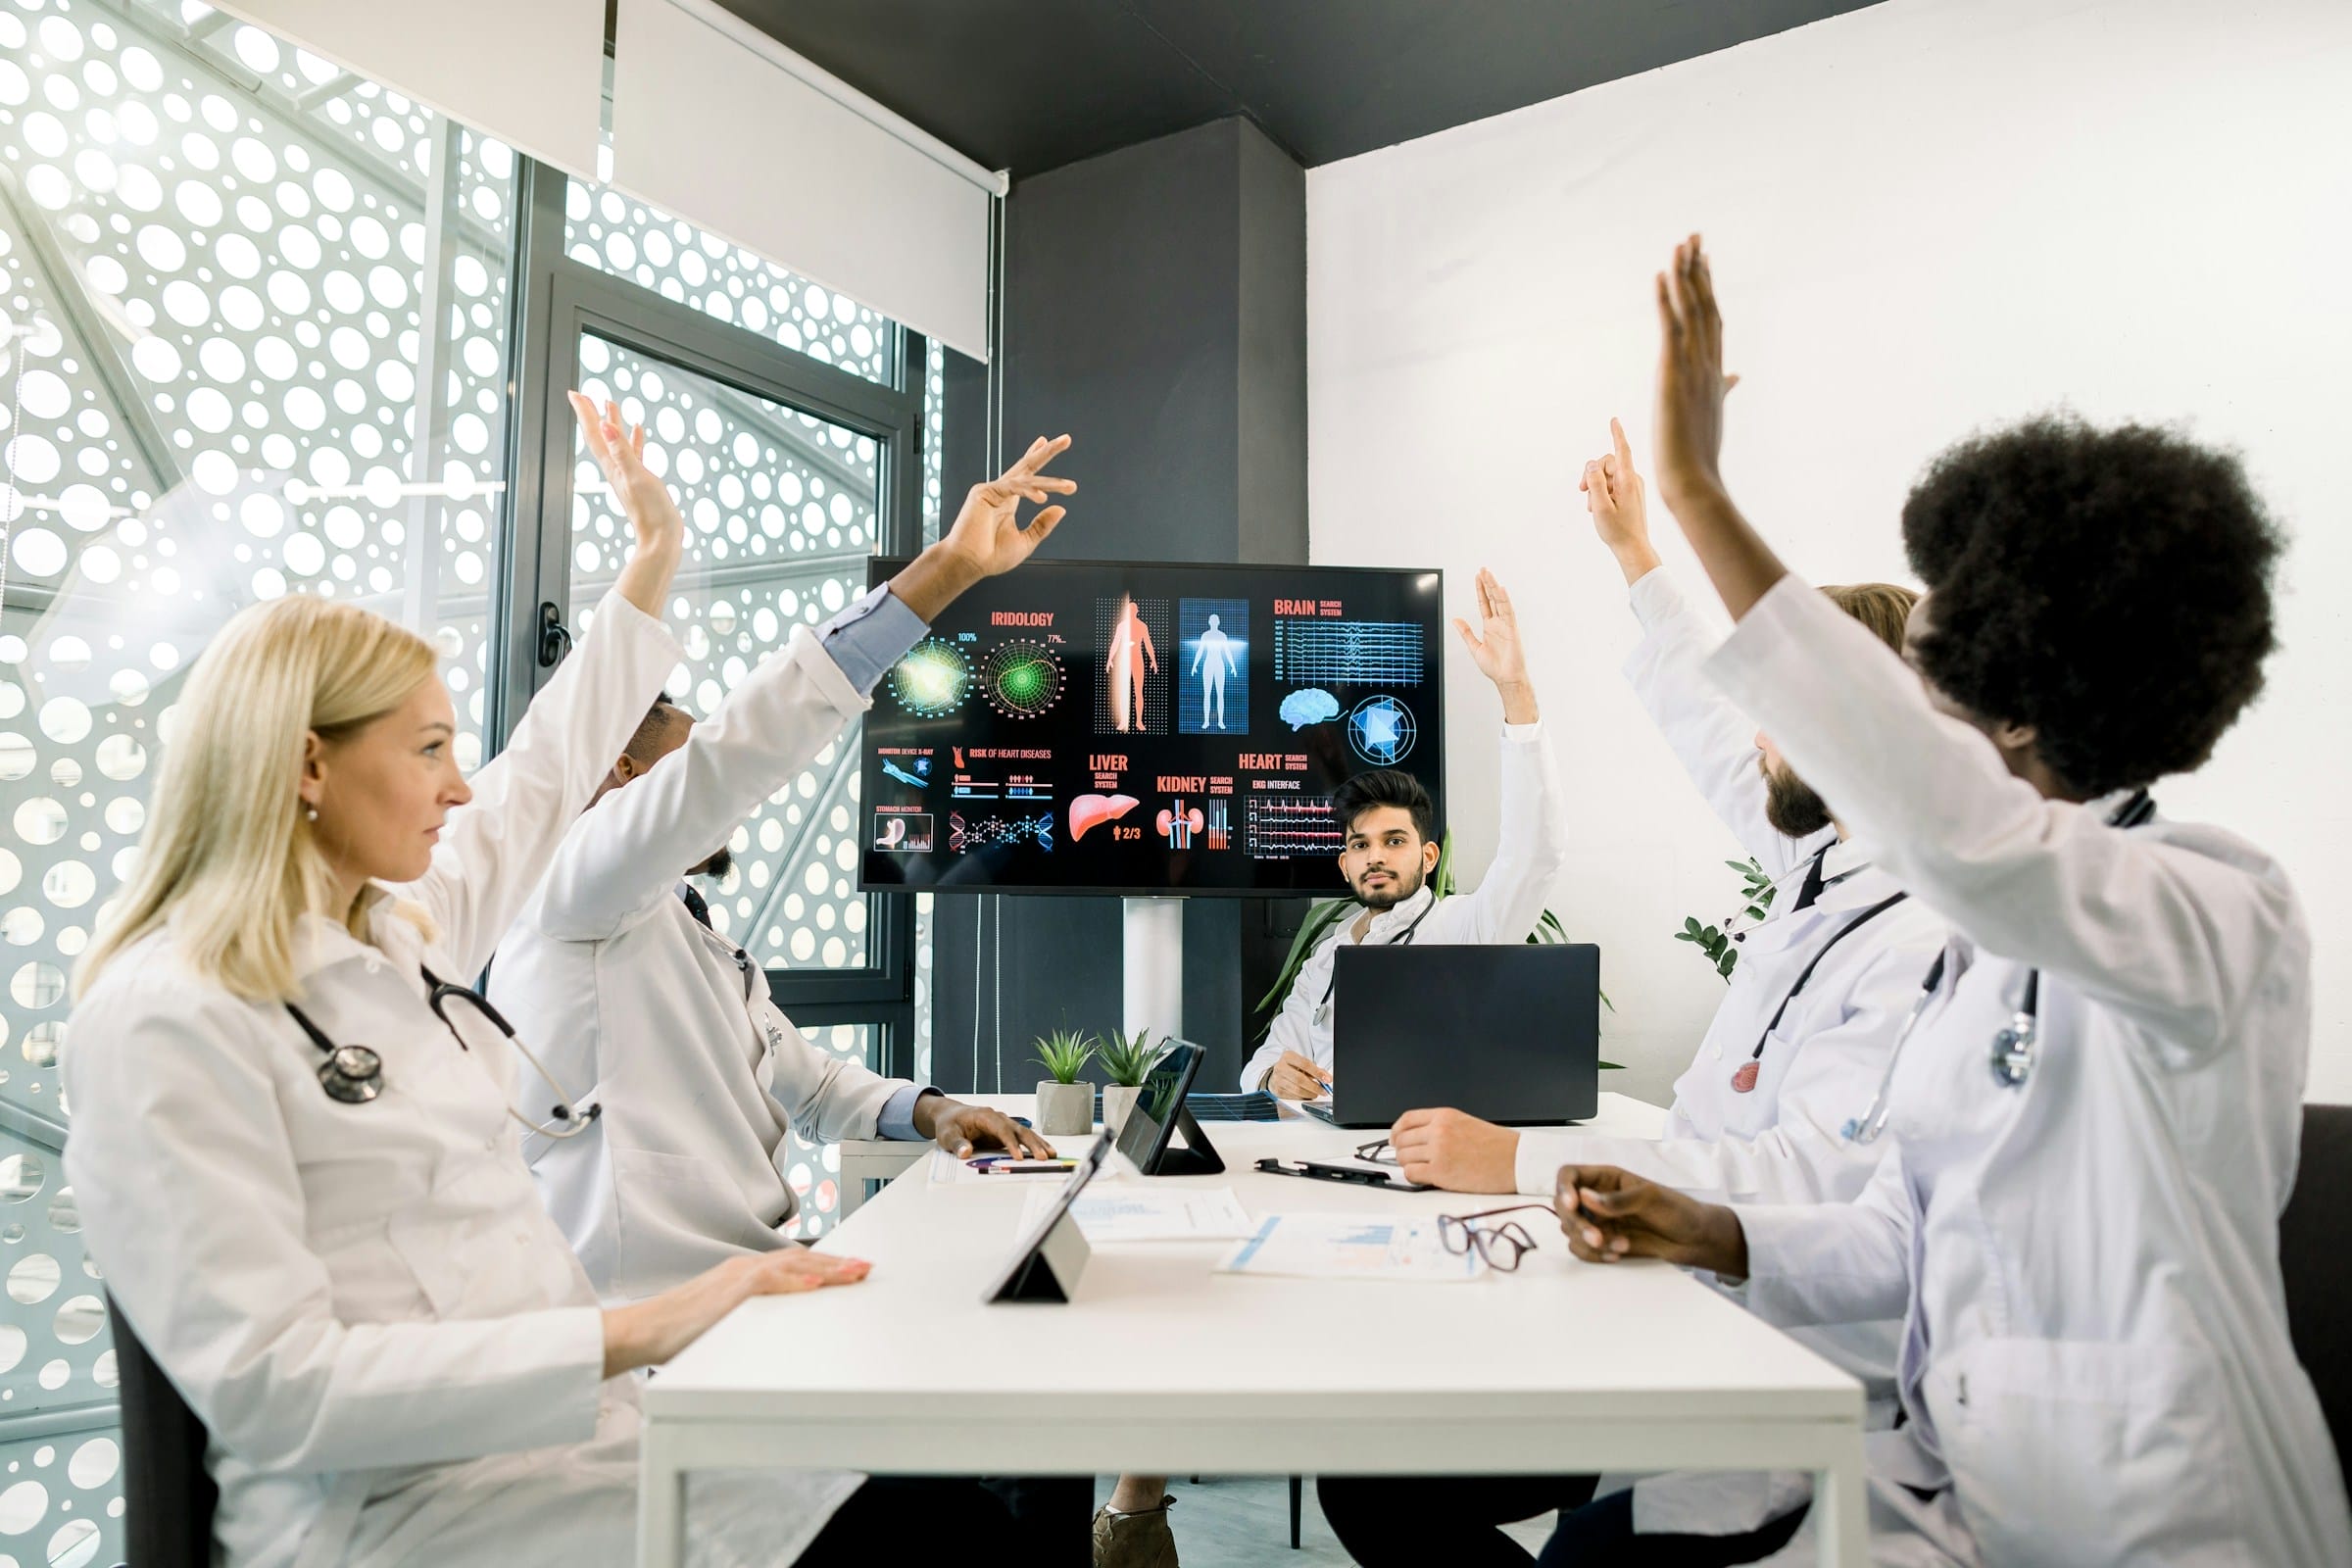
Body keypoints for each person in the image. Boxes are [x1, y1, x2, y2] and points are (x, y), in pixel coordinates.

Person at [60, 391, 1079, 1568]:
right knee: (945, 1535)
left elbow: (552, 757)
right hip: (402, 1511)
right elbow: (275, 1390)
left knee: (951, 1518)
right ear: (307, 766)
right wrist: (645, 1324)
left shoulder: (402, 938)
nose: (459, 787)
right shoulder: (163, 1018)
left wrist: (657, 559)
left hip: (575, 1433)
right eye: (429, 749)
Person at [1547, 236, 2351, 1565]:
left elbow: (1964, 831)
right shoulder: (1983, 950)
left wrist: (1697, 499)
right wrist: (1715, 1228)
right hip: (1952, 1493)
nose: (1897, 718)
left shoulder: (2216, 910)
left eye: (1931, 680)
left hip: (2161, 1527)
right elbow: (1902, 1232)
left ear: (2022, 699)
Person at [1319, 424, 1947, 1566]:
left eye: (1784, 705)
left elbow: (1801, 1185)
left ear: (1853, 724)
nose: (1755, 731)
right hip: (1676, 1319)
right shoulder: (1819, 856)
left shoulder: (1915, 935)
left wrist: (1514, 1160)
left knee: (1582, 1554)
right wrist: (1634, 559)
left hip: (1783, 1381)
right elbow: (1709, 729)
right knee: (1371, 1473)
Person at [492, 416, 1060, 1307]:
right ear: (626, 776)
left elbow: (798, 1075)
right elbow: (740, 754)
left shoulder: (666, 918)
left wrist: (934, 1110)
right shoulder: (573, 886)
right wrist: (947, 570)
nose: (711, 796)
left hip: (749, 1270)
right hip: (651, 1301)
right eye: (688, 762)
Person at [1238, 568, 1569, 1099]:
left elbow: (1535, 853)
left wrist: (1514, 689)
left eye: (1395, 841)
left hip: (1423, 1147)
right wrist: (1273, 1075)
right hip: (1324, 1146)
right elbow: (1266, 1059)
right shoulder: (1328, 953)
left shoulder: (1469, 929)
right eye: (1360, 844)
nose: (1375, 857)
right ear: (1343, 863)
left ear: (1429, 855)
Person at [1193, 612, 1236, 729]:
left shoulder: (1222, 636)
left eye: (1215, 621)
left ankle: (1220, 721)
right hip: (1208, 664)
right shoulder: (1205, 635)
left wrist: (1233, 666)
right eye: (1212, 621)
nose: (1214, 623)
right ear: (1209, 622)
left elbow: (1227, 651)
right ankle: (1206, 721)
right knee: (1207, 694)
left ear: (1218, 622)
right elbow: (1200, 651)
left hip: (1219, 665)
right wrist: (1194, 665)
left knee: (1220, 694)